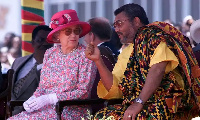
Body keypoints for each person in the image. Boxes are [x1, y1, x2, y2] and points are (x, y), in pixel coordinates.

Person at [85, 3, 200, 120]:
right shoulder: (127, 52)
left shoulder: (152, 36)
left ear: (136, 21)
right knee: (102, 116)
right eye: (114, 25)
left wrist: (139, 102)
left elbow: (158, 69)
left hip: (163, 103)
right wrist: (98, 60)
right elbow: (116, 90)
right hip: (137, 105)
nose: (116, 29)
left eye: (119, 23)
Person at [8, 9, 96, 120]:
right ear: (57, 35)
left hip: (72, 111)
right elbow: (42, 87)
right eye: (68, 31)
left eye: (77, 31)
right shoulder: (50, 53)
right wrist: (33, 98)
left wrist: (51, 98)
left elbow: (83, 92)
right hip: (46, 110)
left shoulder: (86, 55)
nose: (73, 35)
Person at [10, 25, 53, 115]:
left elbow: (45, 89)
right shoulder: (18, 61)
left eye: (48, 41)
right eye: (40, 40)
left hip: (35, 113)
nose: (45, 44)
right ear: (32, 42)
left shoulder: (56, 65)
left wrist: (42, 63)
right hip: (10, 111)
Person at [84, 17, 116, 113]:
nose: (84, 38)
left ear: (91, 36)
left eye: (85, 34)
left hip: (101, 109)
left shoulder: (96, 54)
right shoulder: (118, 49)